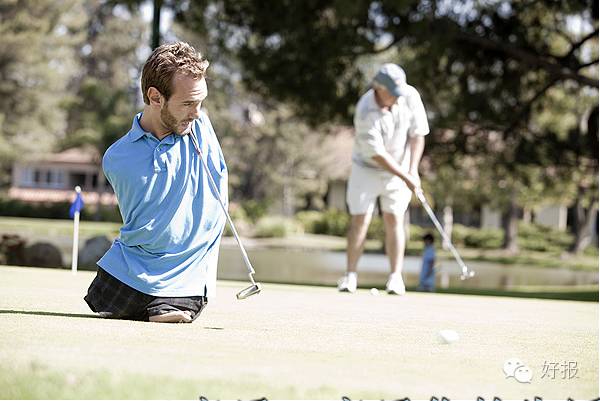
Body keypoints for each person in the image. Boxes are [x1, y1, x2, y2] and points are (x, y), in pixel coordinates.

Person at [84, 42, 228, 323]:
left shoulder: (201, 130)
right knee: (100, 297)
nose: (196, 113)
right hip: (134, 268)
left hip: (188, 278)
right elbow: (148, 226)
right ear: (155, 97)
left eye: (200, 102)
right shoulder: (117, 157)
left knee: (176, 305)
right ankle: (153, 308)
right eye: (187, 103)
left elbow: (219, 190)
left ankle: (161, 307)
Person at [337, 63, 430, 295]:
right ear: (378, 89)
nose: (397, 99)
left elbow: (418, 134)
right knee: (360, 220)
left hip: (401, 165)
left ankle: (395, 278)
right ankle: (350, 277)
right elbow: (377, 154)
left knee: (394, 218)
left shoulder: (409, 95)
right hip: (366, 168)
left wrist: (413, 169)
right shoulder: (365, 110)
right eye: (392, 94)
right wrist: (405, 175)